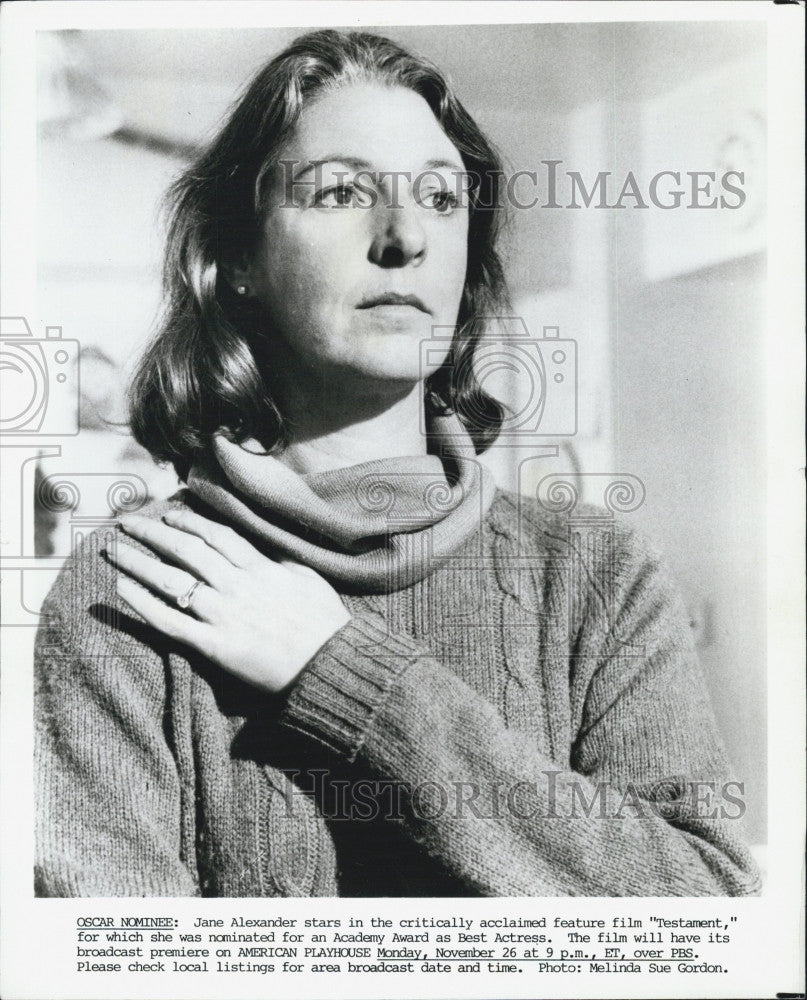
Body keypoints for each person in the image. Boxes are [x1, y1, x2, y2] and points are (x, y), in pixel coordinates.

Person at [35, 29, 760, 897]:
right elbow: (117, 970)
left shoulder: (599, 575)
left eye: (440, 198)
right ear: (235, 262)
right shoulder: (132, 589)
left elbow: (708, 917)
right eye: (341, 191)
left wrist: (340, 675)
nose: (404, 236)